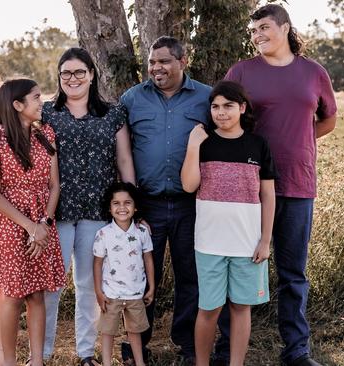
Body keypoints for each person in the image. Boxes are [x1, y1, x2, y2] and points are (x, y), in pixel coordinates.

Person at [224, 4, 338, 366]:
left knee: (293, 274)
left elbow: (328, 119)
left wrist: (301, 142)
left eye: (264, 27)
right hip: (248, 188)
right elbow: (223, 116)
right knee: (238, 268)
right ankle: (228, 348)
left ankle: (296, 351)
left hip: (298, 184)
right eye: (253, 30)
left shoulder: (313, 73)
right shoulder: (242, 71)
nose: (257, 35)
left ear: (285, 27)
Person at [120, 36, 230, 365]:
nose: (156, 67)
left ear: (183, 62)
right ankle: (137, 345)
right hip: (147, 205)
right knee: (138, 275)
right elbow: (119, 148)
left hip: (192, 203)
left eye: (164, 61)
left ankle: (188, 345)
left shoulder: (207, 98)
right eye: (152, 61)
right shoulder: (132, 99)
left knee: (191, 276)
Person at [41, 47, 135, 366]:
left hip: (98, 209)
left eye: (79, 72)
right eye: (66, 72)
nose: (73, 78)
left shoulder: (112, 113)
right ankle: (42, 353)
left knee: (87, 284)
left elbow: (124, 159)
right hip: (58, 210)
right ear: (59, 77)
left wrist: (133, 206)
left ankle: (85, 353)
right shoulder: (46, 113)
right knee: (52, 283)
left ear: (92, 74)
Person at [181, 80, 276, 366]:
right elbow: (188, 186)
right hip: (209, 243)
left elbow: (268, 196)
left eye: (228, 106)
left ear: (242, 108)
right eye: (215, 107)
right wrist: (193, 146)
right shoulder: (203, 142)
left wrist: (265, 240)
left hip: (246, 243)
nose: (221, 113)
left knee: (240, 307)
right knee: (209, 308)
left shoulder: (258, 144)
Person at [0, 78, 66, 366]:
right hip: (12, 227)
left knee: (37, 295)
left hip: (43, 224)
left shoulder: (46, 135)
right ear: (17, 105)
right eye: (36, 97)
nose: (41, 102)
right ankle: (8, 360)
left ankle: (37, 360)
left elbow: (54, 186)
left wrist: (44, 222)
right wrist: (30, 226)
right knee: (13, 296)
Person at [93, 182, 155, 366]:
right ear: (109, 207)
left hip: (136, 292)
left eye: (127, 203)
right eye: (116, 203)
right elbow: (97, 264)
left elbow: (148, 259)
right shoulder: (103, 234)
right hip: (111, 293)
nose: (122, 207)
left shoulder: (142, 232)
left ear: (135, 207)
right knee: (108, 331)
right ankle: (106, 362)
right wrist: (98, 291)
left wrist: (151, 287)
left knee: (134, 331)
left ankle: (140, 362)